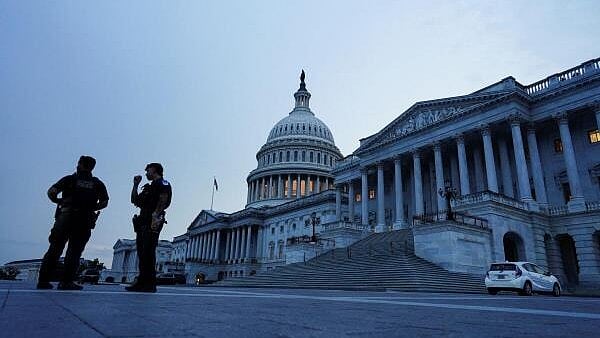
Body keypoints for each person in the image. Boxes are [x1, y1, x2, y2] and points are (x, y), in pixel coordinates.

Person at [37, 156, 109, 290]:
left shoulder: (69, 179)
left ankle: (43, 280)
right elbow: (104, 202)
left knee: (55, 248)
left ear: (80, 165)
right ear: (92, 167)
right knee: (75, 251)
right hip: (85, 218)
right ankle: (66, 282)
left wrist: (59, 201)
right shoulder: (97, 183)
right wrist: (92, 208)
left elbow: (51, 192)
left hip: (66, 215)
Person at [127, 163, 172, 292]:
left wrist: (155, 215)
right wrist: (135, 185)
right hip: (143, 220)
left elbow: (164, 199)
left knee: (148, 251)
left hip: (152, 220)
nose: (146, 173)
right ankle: (142, 281)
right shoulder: (148, 187)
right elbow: (135, 200)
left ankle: (149, 283)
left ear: (154, 170)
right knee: (142, 251)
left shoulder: (163, 183)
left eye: (147, 171)